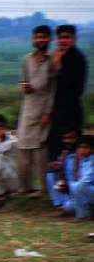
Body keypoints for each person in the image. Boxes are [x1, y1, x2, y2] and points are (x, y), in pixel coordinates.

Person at [16, 25, 55, 194]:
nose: (40, 40)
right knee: (23, 150)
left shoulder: (53, 61)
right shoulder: (27, 59)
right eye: (38, 37)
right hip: (28, 108)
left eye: (44, 37)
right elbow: (22, 81)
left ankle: (45, 190)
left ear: (49, 39)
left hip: (44, 109)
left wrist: (48, 112)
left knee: (40, 152)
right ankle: (25, 188)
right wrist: (24, 87)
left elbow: (54, 90)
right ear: (33, 39)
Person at [46, 24, 88, 160]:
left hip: (71, 113)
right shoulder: (55, 56)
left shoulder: (78, 58)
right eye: (60, 37)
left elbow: (76, 89)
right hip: (55, 113)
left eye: (67, 37)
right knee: (54, 152)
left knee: (71, 153)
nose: (63, 40)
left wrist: (59, 68)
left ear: (74, 39)